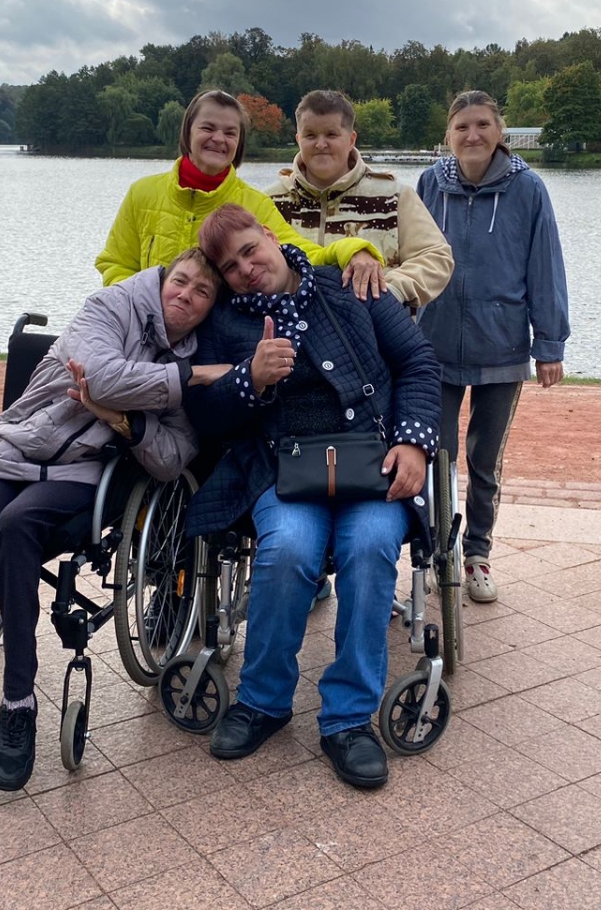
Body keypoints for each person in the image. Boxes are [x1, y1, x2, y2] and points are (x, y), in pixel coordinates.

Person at [0, 250, 227, 812]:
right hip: (5, 452)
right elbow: (100, 375)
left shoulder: (190, 351)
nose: (185, 295)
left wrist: (123, 420)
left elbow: (173, 454)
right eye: (179, 281)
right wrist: (189, 378)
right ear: (161, 281)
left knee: (17, 526)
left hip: (79, 472)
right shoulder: (109, 307)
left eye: (201, 292)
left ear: (209, 308)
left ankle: (18, 704)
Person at [183, 204, 440, 789]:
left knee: (370, 547)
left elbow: (419, 363)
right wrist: (249, 380)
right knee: (289, 549)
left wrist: (414, 443)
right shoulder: (224, 322)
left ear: (269, 237)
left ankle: (348, 719)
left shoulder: (348, 287)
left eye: (250, 251)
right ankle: (263, 701)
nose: (246, 269)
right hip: (281, 469)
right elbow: (203, 415)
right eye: (230, 267)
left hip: (371, 464)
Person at [415, 91, 570, 604]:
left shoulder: (527, 189)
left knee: (484, 460)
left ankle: (477, 554)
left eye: (483, 124)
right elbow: (407, 256)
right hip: (433, 346)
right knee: (435, 456)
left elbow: (545, 265)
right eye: (462, 126)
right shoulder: (429, 184)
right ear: (448, 134)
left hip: (501, 346)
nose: (473, 135)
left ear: (500, 131)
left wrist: (549, 343)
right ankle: (438, 552)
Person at [95, 89, 386, 299]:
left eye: (230, 133)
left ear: (239, 143)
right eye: (208, 128)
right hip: (145, 332)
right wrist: (143, 305)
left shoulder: (254, 203)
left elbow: (301, 252)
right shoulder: (142, 193)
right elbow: (115, 263)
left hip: (217, 343)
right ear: (188, 132)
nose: (218, 139)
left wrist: (353, 251)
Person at [263, 89, 453, 310]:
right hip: (287, 329)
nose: (321, 144)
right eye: (310, 135)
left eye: (331, 134)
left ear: (351, 139)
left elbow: (436, 257)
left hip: (376, 329)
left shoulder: (393, 196)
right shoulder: (270, 201)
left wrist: (392, 290)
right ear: (298, 139)